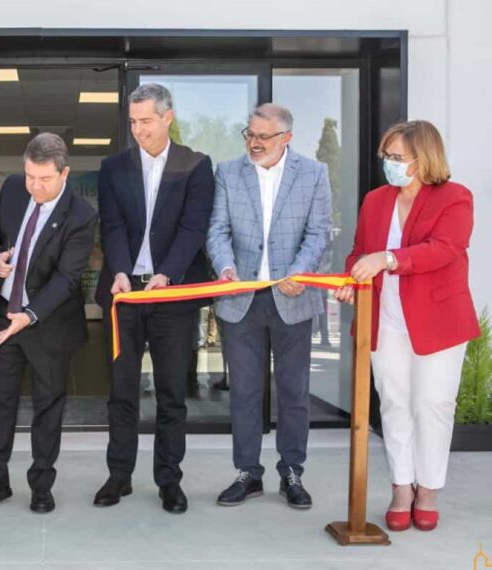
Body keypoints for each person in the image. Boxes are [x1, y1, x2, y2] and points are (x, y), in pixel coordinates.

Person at [335, 120, 480, 532]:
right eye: (387, 156)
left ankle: (428, 489)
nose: (390, 164)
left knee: (432, 405)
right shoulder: (376, 199)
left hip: (438, 321)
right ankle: (402, 487)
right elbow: (360, 251)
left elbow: (445, 248)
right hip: (384, 319)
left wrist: (388, 259)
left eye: (398, 157)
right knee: (394, 403)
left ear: (424, 158)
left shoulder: (455, 197)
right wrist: (351, 279)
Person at [93, 83, 215, 514]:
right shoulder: (114, 167)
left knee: (171, 392)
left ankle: (169, 480)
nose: (138, 130)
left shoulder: (195, 165)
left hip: (172, 293)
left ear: (167, 117)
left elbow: (193, 227)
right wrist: (120, 271)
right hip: (125, 293)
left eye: (146, 121)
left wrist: (168, 274)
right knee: (121, 391)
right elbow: (110, 225)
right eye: (133, 122)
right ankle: (119, 476)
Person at [0, 133, 96, 514]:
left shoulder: (81, 215)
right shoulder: (13, 189)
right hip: (6, 314)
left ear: (64, 173)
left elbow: (66, 279)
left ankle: (41, 486)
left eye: (44, 179)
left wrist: (30, 315)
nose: (35, 187)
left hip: (48, 323)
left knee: (47, 406)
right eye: (30, 177)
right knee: (0, 403)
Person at [206, 103, 332, 510]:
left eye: (264, 136)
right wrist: (225, 267)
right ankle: (248, 473)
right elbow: (217, 230)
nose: (254, 143)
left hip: (293, 298)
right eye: (250, 134)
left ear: (286, 137)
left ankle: (292, 472)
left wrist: (299, 272)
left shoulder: (313, 173)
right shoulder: (228, 172)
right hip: (240, 299)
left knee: (293, 392)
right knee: (244, 392)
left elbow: (318, 233)